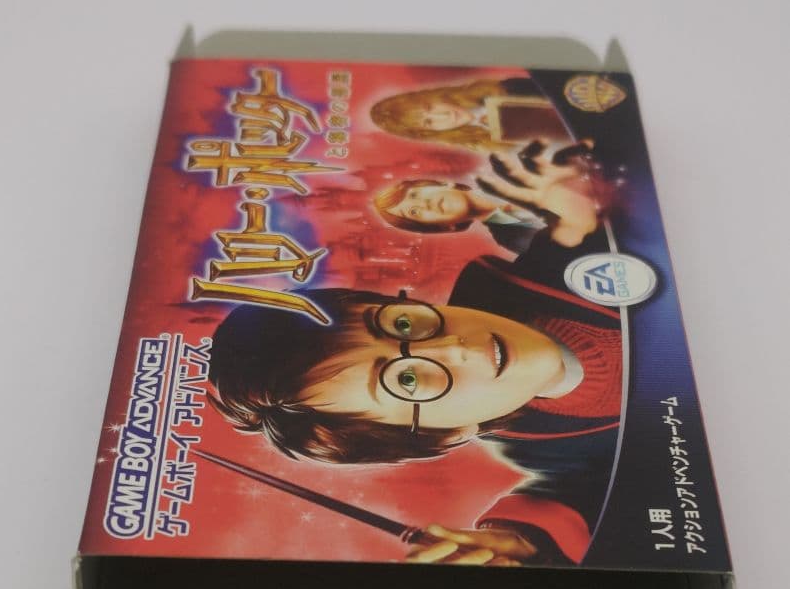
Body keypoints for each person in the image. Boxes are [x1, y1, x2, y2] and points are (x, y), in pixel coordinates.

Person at [208, 231, 622, 566]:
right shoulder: (548, 450)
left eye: (403, 325)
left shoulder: (542, 262)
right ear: (450, 434)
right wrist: (525, 541)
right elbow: (589, 500)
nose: (452, 348)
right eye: (408, 380)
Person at [371, 141, 599, 252]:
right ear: (444, 227)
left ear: (444, 183)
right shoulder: (513, 240)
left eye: (415, 194)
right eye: (414, 212)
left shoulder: (506, 161)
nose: (424, 203)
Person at [369, 77, 570, 152]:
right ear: (429, 132)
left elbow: (567, 92)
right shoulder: (488, 146)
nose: (444, 116)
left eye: (430, 108)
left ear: (434, 96)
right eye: (429, 122)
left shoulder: (504, 89)